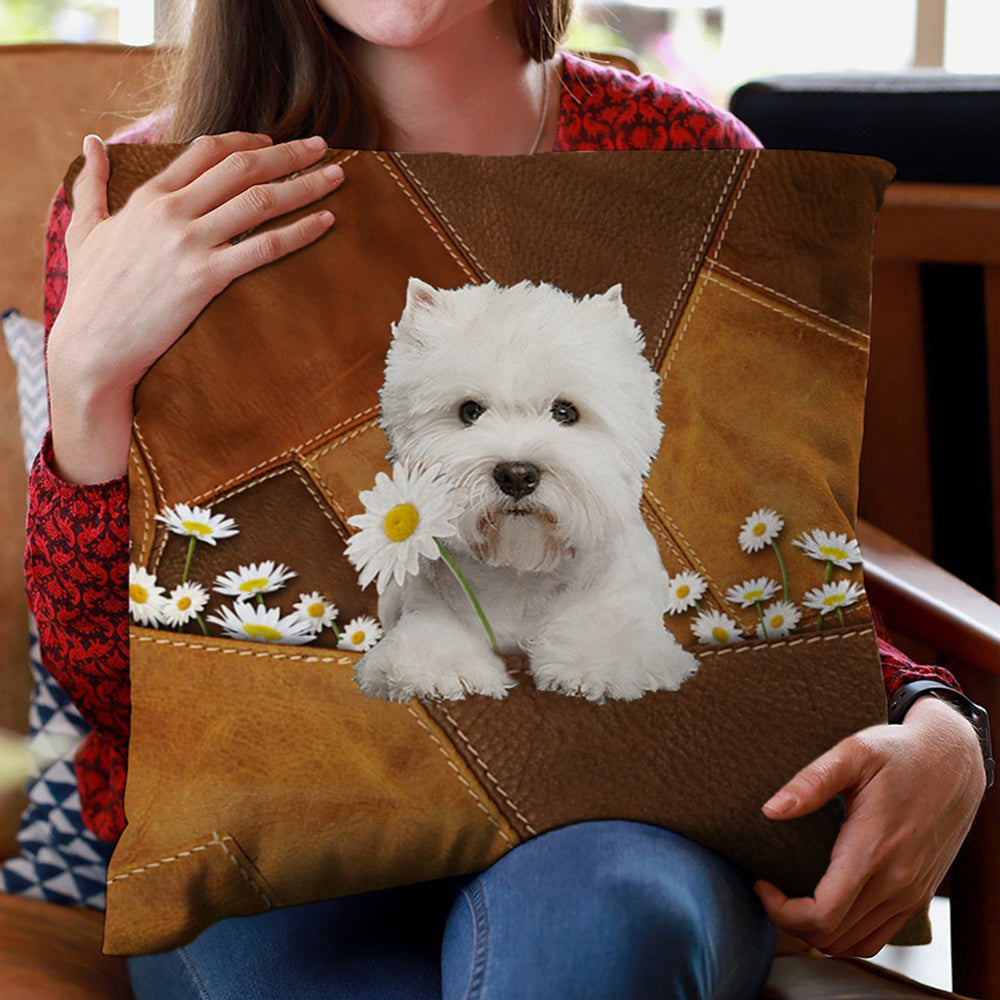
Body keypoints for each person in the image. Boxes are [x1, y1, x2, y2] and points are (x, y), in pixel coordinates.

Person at [24, 1, 987, 997]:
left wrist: (934, 713)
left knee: (601, 923)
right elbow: (105, 679)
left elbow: (753, 556)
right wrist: (89, 382)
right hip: (272, 815)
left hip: (619, 816)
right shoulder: (153, 206)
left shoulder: (693, 168)